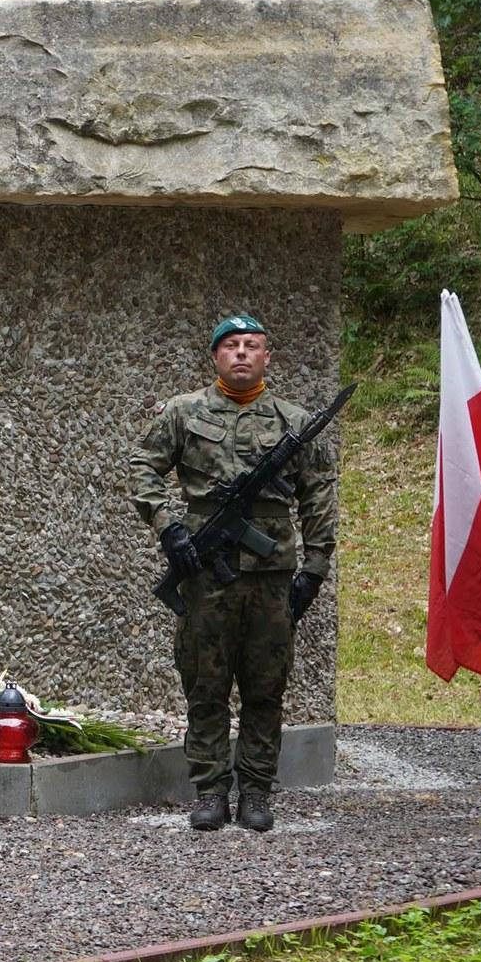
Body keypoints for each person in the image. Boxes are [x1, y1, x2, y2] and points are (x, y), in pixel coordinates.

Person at [128, 314, 336, 833]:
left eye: (252, 345)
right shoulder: (182, 413)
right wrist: (169, 527)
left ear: (267, 357)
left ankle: (257, 791)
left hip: (271, 577)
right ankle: (211, 791)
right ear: (215, 356)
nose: (241, 353)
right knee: (206, 684)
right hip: (205, 572)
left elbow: (318, 496)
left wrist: (314, 569)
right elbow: (144, 467)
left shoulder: (294, 422)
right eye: (231, 345)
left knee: (266, 686)